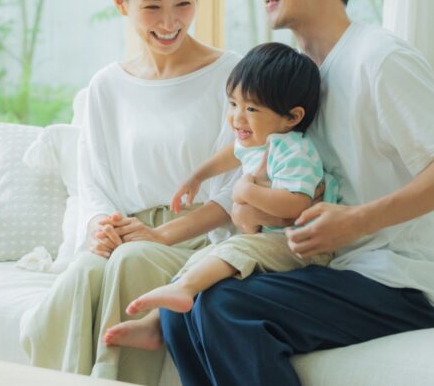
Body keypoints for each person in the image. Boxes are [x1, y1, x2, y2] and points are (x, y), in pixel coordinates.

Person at [159, 0, 434, 386]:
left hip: (396, 284)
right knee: (179, 310)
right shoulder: (295, 79)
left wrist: (356, 220)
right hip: (329, 269)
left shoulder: (380, 58)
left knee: (225, 306)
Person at [19, 0, 240, 385]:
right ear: (120, 2)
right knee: (85, 271)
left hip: (198, 241)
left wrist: (157, 236)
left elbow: (231, 194)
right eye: (152, 6)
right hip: (128, 232)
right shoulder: (107, 85)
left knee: (132, 260)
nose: (170, 21)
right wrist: (101, 228)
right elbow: (95, 181)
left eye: (183, 3)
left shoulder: (232, 75)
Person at [103, 42, 338, 349]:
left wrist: (246, 190)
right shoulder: (260, 140)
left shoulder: (293, 150)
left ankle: (176, 300)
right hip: (268, 239)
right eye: (233, 104)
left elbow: (297, 204)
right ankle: (157, 324)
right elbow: (230, 154)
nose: (237, 118)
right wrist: (197, 177)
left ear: (292, 117)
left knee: (231, 250)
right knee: (203, 258)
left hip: (301, 246)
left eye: (251, 109)